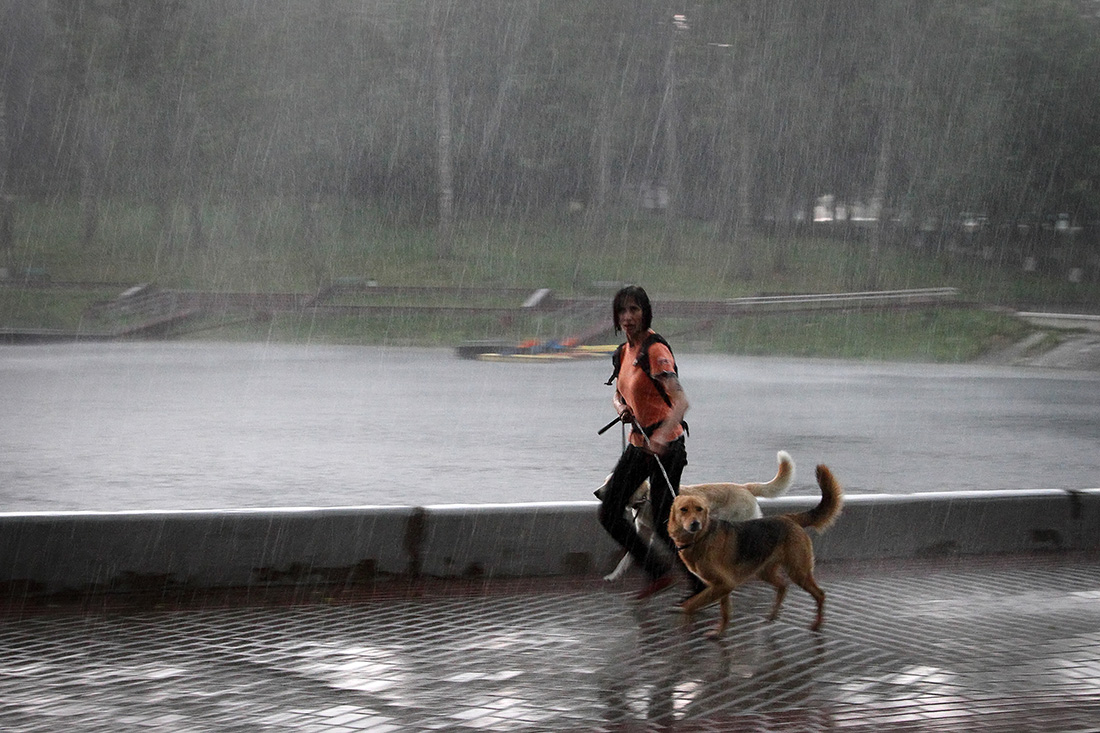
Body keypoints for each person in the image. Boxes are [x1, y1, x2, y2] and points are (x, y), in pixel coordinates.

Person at [598, 284, 697, 600]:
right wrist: (621, 408)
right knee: (610, 512)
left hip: (667, 448)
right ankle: (657, 571)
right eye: (622, 311)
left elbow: (681, 402)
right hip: (639, 444)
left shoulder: (655, 351)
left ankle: (701, 585)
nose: (627, 317)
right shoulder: (624, 353)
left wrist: (661, 436)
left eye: (634, 310)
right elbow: (617, 393)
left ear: (645, 312)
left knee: (669, 522)